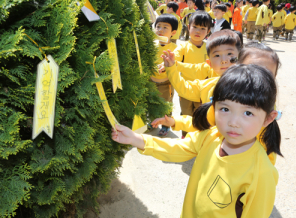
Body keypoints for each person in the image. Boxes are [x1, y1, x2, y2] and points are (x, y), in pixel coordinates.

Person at [112, 64, 282, 218]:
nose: (233, 122)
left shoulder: (261, 174)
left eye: (248, 113)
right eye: (225, 109)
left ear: (268, 118)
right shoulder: (211, 136)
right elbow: (178, 148)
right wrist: (137, 139)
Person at [153, 41, 281, 164]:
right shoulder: (221, 92)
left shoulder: (266, 109)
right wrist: (176, 122)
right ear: (237, 67)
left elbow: (268, 159)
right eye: (253, 69)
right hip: (214, 162)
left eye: (268, 74)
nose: (259, 77)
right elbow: (207, 123)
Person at [168, 11, 212, 137]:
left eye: (202, 28)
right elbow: (174, 59)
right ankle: (185, 135)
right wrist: (168, 63)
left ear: (208, 31)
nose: (198, 31)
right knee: (186, 113)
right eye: (195, 27)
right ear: (188, 27)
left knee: (202, 113)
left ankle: (199, 136)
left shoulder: (210, 48)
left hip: (204, 89)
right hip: (186, 88)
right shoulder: (183, 47)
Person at [151, 14, 178, 136]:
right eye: (158, 26)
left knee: (166, 104)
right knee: (151, 102)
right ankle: (153, 122)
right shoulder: (151, 45)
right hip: (151, 81)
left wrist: (166, 66)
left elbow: (178, 64)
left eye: (165, 27)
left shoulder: (175, 48)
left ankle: (166, 125)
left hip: (166, 83)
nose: (160, 30)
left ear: (173, 32)